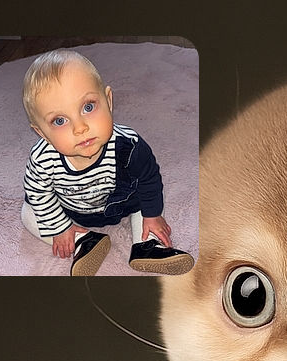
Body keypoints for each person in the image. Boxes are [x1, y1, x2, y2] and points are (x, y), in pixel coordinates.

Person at [21, 49, 193, 276]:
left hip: (121, 203)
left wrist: (153, 214)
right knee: (29, 212)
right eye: (60, 120)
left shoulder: (128, 144)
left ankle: (146, 245)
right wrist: (59, 227)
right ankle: (84, 240)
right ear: (42, 133)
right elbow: (38, 192)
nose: (80, 127)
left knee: (144, 201)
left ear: (108, 100)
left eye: (88, 107)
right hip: (70, 209)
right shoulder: (41, 160)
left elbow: (149, 177)